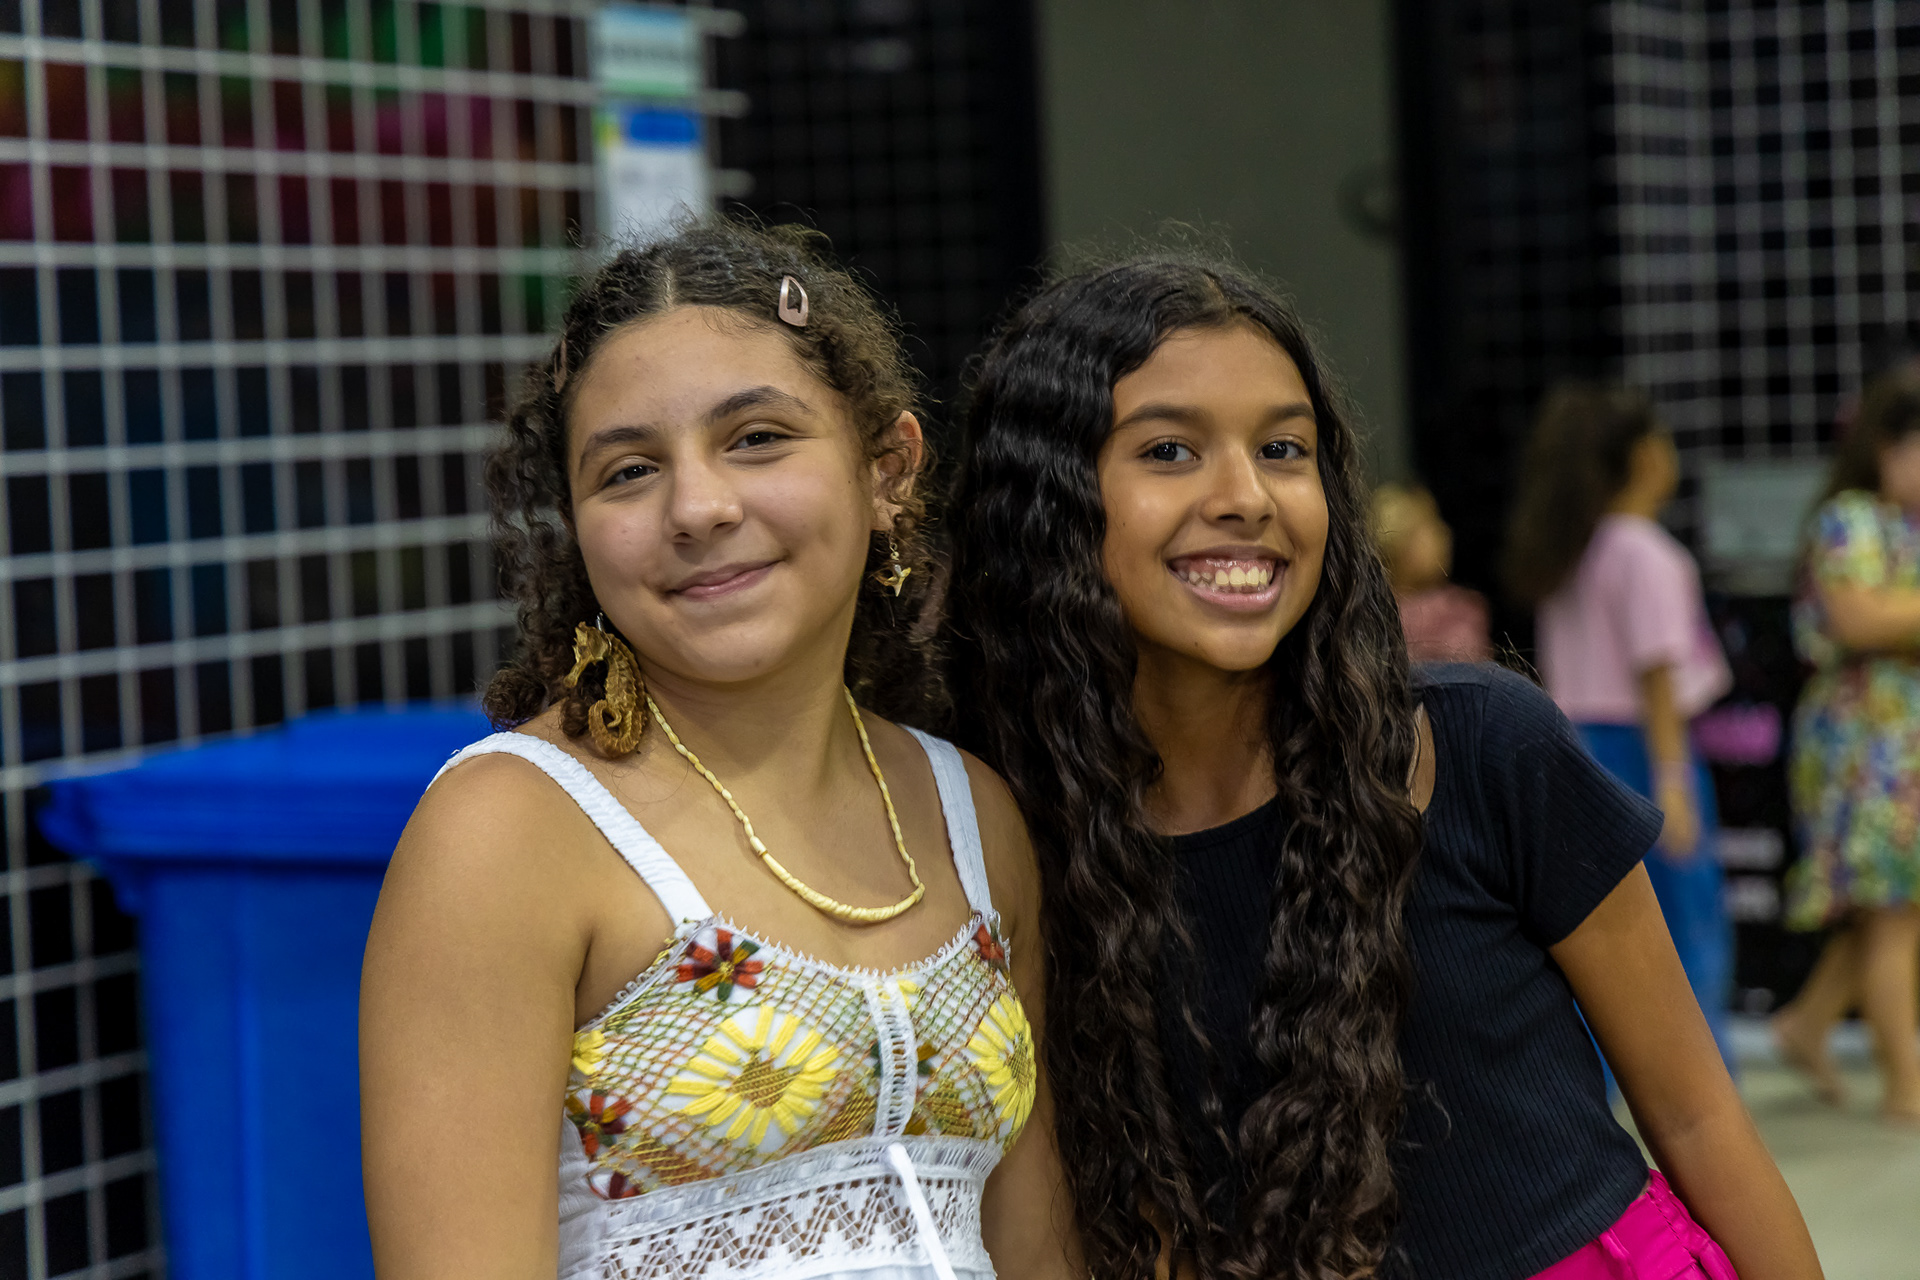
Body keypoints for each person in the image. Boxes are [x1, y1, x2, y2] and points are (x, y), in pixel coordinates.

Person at [945, 258, 1821, 1279]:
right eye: (1169, 450)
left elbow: (1700, 1116)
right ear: (1046, 497)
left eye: (1283, 448)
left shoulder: (1485, 745)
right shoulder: (1005, 836)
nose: (1246, 497)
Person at [360, 221, 1078, 1280]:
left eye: (757, 438)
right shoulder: (509, 832)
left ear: (888, 469)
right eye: (629, 470)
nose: (697, 507)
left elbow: (1036, 1252)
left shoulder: (970, 814)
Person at [1504, 384, 1738, 1071]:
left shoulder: (1571, 548)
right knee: (1683, 925)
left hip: (1576, 746)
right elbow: (1656, 674)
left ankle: (1599, 1080)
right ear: (1643, 457)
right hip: (1641, 750)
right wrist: (1674, 780)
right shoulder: (1646, 553)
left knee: (1596, 933)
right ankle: (1700, 1079)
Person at [1770, 364, 1920, 1127]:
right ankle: (1907, 1085)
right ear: (1890, 447)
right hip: (1867, 746)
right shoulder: (1851, 518)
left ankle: (1808, 1023)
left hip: (1902, 745)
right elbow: (1857, 619)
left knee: (1888, 909)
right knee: (1893, 909)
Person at [1372, 481, 1492, 662]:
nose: (1444, 532)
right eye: (1426, 528)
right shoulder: (1379, 618)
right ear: (1398, 546)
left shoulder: (1460, 609)